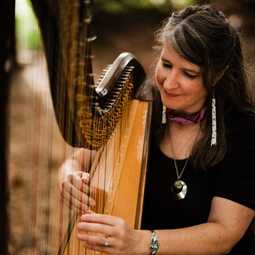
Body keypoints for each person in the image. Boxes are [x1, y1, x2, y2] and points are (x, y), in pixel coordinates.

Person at [59, 4, 255, 255]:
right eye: (166, 64)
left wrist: (140, 242)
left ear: (217, 75)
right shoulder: (139, 106)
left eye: (188, 73)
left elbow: (223, 234)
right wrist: (68, 175)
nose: (169, 83)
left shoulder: (244, 130)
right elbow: (78, 161)